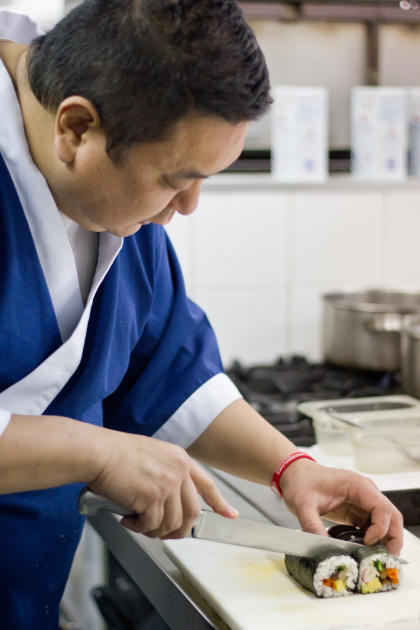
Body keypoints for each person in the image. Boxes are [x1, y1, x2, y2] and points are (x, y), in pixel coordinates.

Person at [0, 1, 403, 628]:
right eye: (175, 177)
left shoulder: (120, 215)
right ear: (77, 129)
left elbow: (169, 371)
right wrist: (99, 453)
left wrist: (291, 467)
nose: (188, 206)